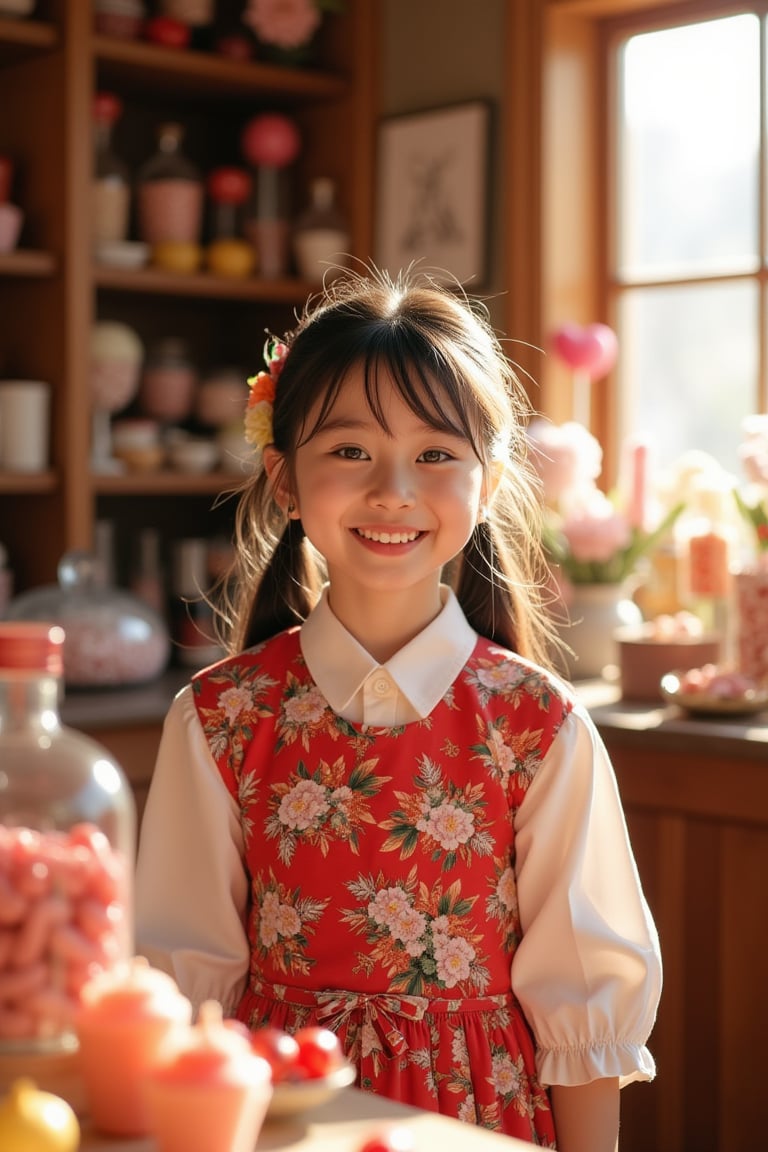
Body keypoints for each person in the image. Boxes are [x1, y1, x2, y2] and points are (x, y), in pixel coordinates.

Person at [135, 266, 661, 1150]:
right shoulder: (220, 718)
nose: (393, 490)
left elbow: (586, 1013)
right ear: (286, 480)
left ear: (486, 484)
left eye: (435, 454)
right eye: (349, 451)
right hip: (278, 1120)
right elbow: (184, 999)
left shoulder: (539, 726)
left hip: (479, 1123)